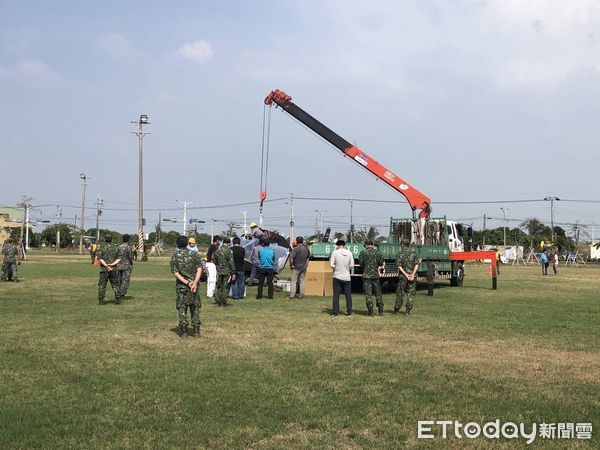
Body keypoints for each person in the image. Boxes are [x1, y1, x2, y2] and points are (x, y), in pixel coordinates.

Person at [170, 235, 203, 338]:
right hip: (194, 286)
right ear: (187, 243)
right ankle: (196, 330)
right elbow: (199, 269)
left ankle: (184, 331)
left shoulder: (175, 256)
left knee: (182, 308)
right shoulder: (195, 254)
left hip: (182, 286)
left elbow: (176, 273)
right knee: (195, 307)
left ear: (177, 244)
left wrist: (187, 283)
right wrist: (194, 282)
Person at [358, 240, 384, 316]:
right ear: (372, 245)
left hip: (366, 276)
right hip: (375, 276)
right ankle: (381, 311)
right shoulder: (377, 252)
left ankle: (371, 311)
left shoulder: (363, 252)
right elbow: (381, 263)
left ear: (365, 245)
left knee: (368, 294)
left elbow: (361, 263)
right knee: (378, 293)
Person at [395, 238, 420, 315]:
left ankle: (397, 310)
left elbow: (399, 266)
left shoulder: (400, 254)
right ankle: (408, 311)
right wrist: (412, 274)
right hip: (413, 276)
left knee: (400, 293)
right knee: (410, 294)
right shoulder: (414, 254)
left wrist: (406, 274)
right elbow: (417, 265)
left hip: (403, 276)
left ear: (402, 245)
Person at [330, 239, 354, 316]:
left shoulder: (335, 252)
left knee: (336, 295)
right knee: (348, 295)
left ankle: (335, 312)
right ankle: (349, 312)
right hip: (347, 277)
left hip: (337, 276)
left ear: (337, 245)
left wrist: (336, 267)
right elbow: (351, 265)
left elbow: (331, 264)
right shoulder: (349, 253)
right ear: (344, 245)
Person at [96, 235, 121, 305]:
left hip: (104, 269)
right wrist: (112, 265)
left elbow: (100, 258)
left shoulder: (101, 248)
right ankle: (118, 299)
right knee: (115, 285)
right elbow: (119, 258)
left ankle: (101, 300)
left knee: (102, 285)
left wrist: (106, 265)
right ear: (112, 240)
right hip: (114, 269)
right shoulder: (116, 248)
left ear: (104, 239)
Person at [212, 237, 236, 306]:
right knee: (226, 286)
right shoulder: (229, 251)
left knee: (219, 286)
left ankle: (218, 300)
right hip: (227, 271)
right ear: (228, 243)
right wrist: (233, 273)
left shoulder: (218, 250)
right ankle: (223, 301)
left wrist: (217, 264)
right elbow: (231, 262)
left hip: (219, 271)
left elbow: (213, 258)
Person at [116, 234, 135, 299]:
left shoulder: (118, 247)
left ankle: (117, 293)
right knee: (125, 280)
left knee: (119, 280)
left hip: (118, 265)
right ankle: (122, 294)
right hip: (126, 266)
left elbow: (116, 256)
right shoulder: (129, 247)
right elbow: (131, 257)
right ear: (128, 240)